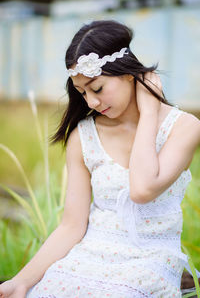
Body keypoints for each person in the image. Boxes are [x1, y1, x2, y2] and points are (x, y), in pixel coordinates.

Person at [0, 19, 200, 298]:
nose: (91, 102)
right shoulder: (83, 137)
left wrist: (149, 113)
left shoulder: (183, 127)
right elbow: (72, 225)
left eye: (97, 89)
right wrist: (20, 281)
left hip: (150, 260)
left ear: (129, 74)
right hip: (91, 254)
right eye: (82, 93)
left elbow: (142, 189)